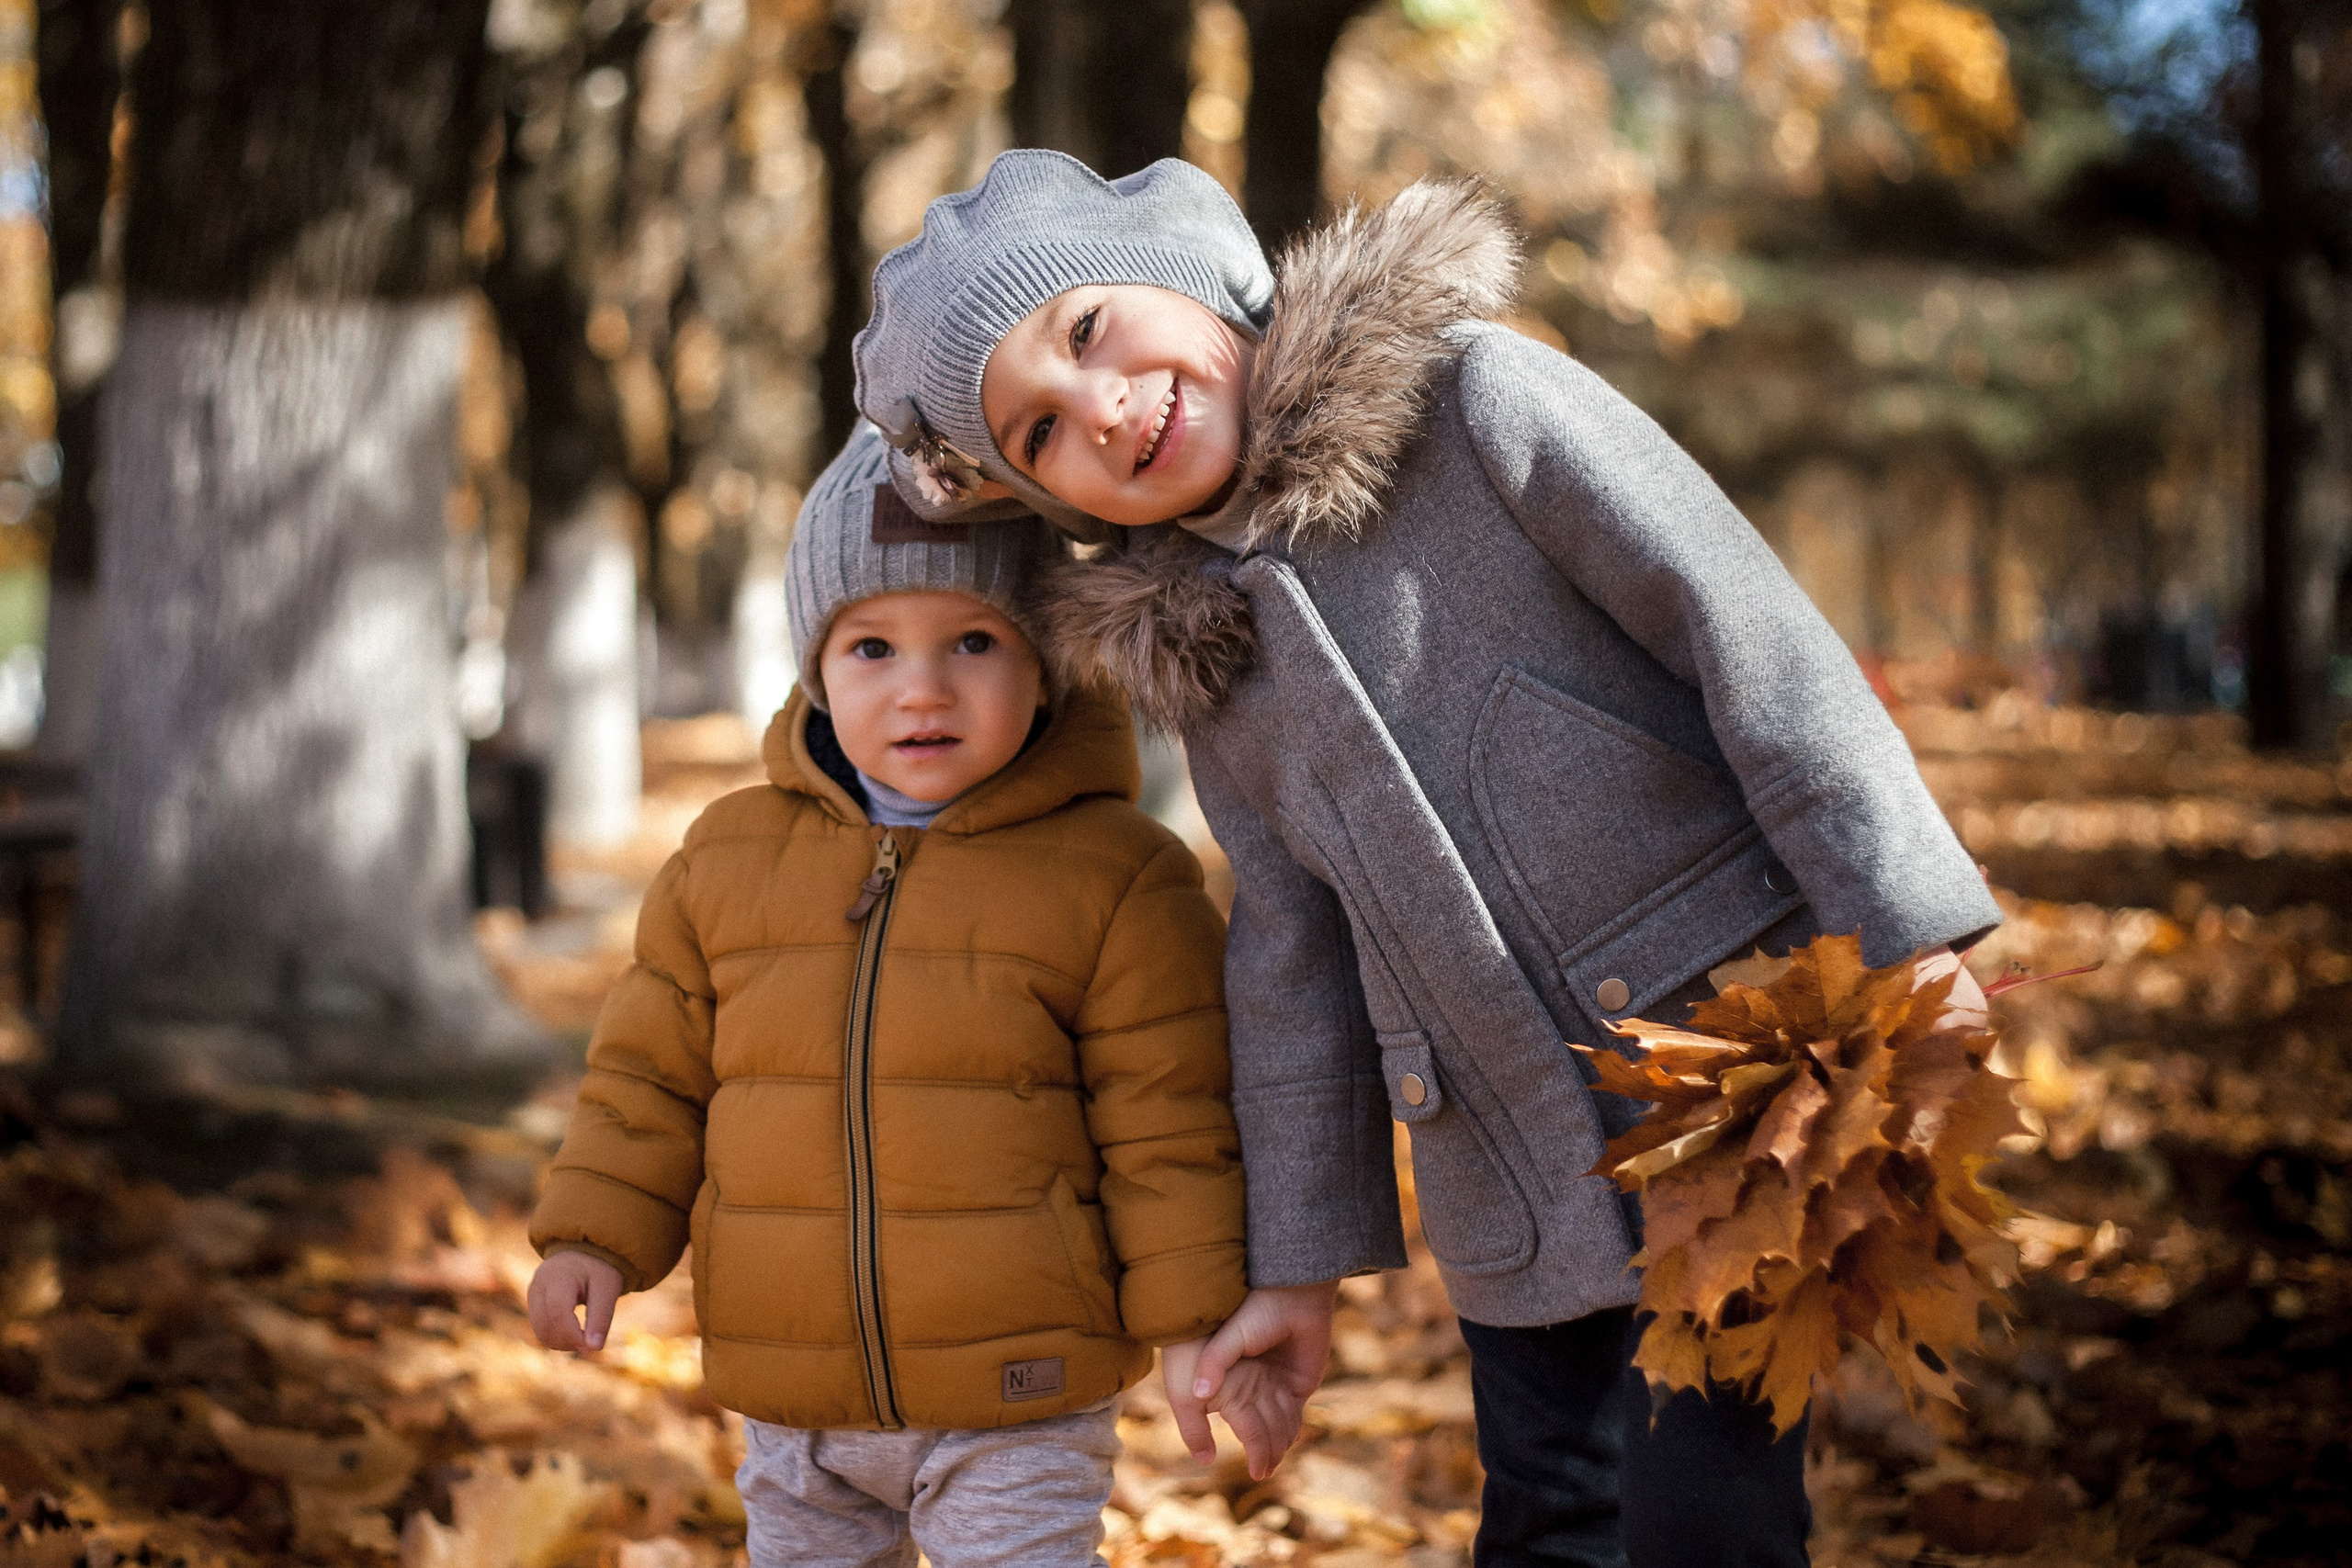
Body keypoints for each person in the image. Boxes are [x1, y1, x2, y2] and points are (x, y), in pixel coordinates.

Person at [846, 150, 2005, 1566]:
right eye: (1035, 433)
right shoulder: (1208, 652)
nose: (1099, 408)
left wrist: (1909, 928)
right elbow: (1290, 960)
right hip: (1496, 1151)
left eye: (1087, 331)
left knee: (1704, 1506)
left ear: (1187, 263)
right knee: (1547, 1506)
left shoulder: (1476, 406)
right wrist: (1298, 1265)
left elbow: (1748, 636)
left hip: (1730, 1069)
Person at [525, 424, 1279, 1568]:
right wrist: (593, 1237)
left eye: (974, 641)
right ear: (814, 671)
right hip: (795, 1391)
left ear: (1047, 664)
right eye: (870, 648)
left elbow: (1168, 1123)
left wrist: (1191, 1321)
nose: (922, 689)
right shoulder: (725, 862)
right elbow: (648, 1081)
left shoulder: (1115, 876)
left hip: (1020, 1389)